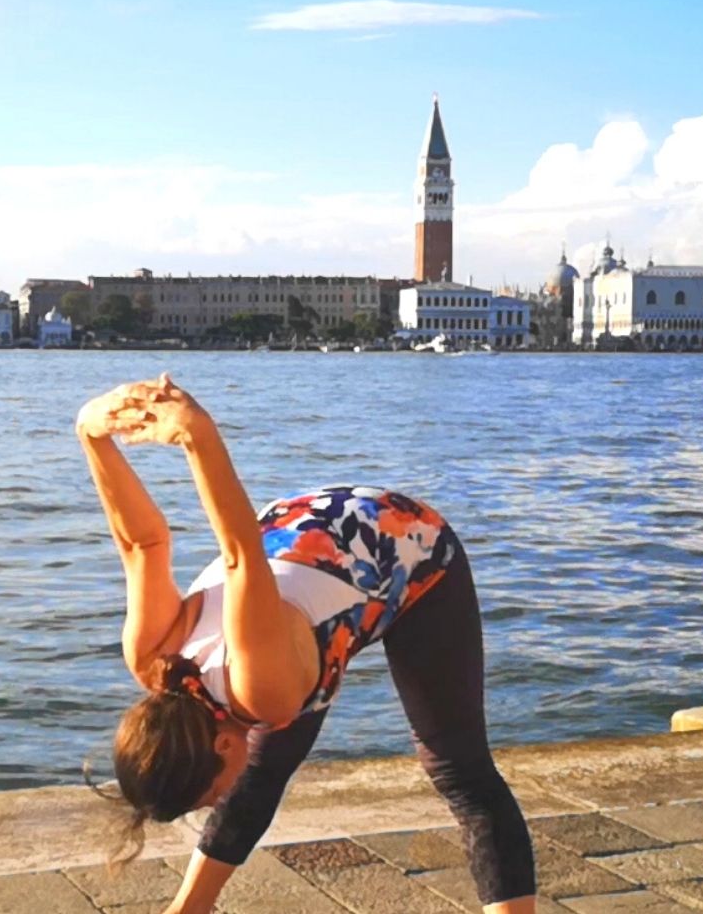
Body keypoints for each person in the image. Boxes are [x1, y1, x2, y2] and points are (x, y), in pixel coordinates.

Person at [77, 373, 536, 914]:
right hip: (309, 531)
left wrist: (198, 435)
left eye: (209, 796)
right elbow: (142, 544)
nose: (215, 802)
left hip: (404, 541)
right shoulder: (152, 657)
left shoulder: (259, 686)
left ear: (222, 744)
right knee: (268, 762)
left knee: (457, 769)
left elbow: (240, 555)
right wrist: (90, 433)